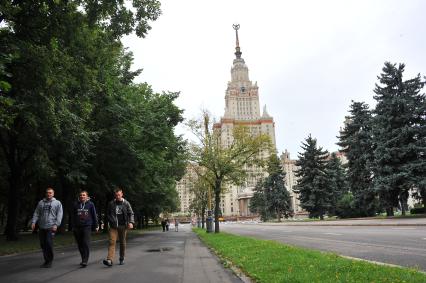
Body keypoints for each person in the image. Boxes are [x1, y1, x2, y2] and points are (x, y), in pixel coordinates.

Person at [31, 187, 63, 268]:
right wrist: (33, 222)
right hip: (42, 227)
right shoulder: (41, 203)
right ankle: (46, 260)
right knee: (43, 244)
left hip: (51, 227)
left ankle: (49, 261)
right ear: (45, 193)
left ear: (53, 194)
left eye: (50, 193)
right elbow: (36, 213)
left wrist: (56, 225)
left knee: (48, 243)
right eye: (47, 193)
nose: (48, 194)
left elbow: (59, 215)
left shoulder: (57, 203)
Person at [103, 188, 134, 267]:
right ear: (115, 195)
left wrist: (131, 222)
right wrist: (111, 221)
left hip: (123, 226)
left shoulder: (126, 203)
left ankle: (121, 258)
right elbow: (108, 214)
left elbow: (131, 213)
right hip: (113, 226)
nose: (118, 196)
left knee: (122, 243)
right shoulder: (111, 203)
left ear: (122, 194)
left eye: (119, 195)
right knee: (112, 242)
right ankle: (109, 260)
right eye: (116, 195)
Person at [71, 190, 98, 267]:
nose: (82, 196)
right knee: (80, 244)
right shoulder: (75, 204)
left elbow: (94, 215)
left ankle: (85, 260)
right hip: (77, 227)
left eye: (83, 195)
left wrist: (96, 225)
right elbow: (73, 216)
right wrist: (73, 226)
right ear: (79, 197)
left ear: (87, 196)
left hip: (87, 226)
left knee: (85, 243)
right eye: (81, 195)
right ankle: (83, 258)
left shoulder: (90, 204)